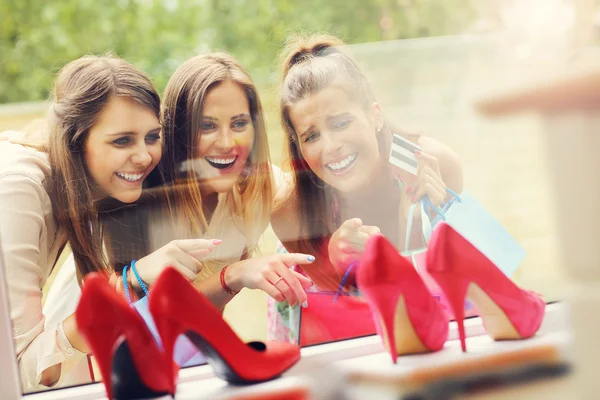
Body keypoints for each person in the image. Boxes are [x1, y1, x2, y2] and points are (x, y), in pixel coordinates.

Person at [0, 55, 222, 391]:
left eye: (152, 137)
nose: (145, 156)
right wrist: (131, 281)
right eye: (122, 141)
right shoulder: (18, 191)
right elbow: (17, 374)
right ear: (75, 141)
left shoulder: (82, 184)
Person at [272, 34, 463, 291]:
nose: (330, 147)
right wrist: (337, 265)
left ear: (375, 116)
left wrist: (415, 222)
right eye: (312, 136)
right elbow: (351, 316)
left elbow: (444, 293)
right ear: (299, 147)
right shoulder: (292, 213)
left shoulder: (434, 164)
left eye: (341, 123)